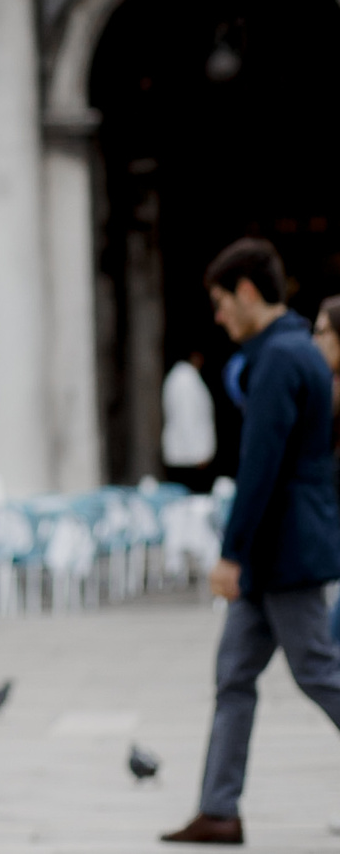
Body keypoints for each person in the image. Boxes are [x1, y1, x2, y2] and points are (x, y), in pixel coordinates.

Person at [162, 239, 340, 845]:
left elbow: (261, 464)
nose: (217, 317)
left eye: (218, 301)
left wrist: (233, 551)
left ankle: (218, 806)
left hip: (282, 549)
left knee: (319, 670)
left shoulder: (279, 358)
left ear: (244, 291)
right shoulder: (297, 350)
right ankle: (219, 809)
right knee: (235, 674)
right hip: (282, 547)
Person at [163, 349, 218, 487]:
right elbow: (187, 418)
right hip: (188, 456)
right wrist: (198, 453)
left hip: (184, 453)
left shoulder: (182, 377)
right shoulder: (185, 379)